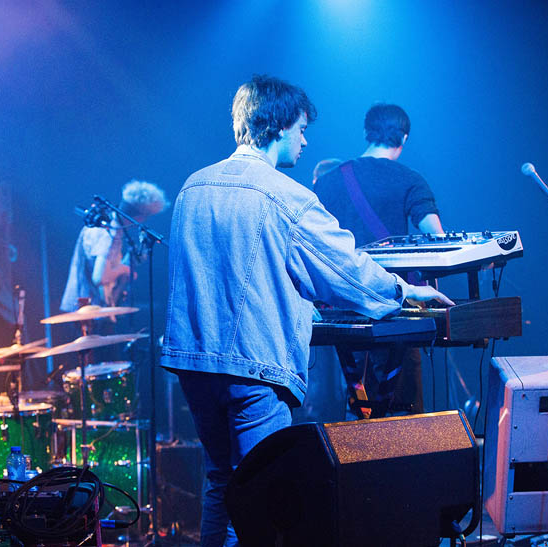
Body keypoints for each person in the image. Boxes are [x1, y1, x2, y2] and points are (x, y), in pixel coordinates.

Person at [160, 76, 453, 547]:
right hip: (255, 368)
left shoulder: (193, 187)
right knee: (262, 493)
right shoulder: (286, 196)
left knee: (221, 482)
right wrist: (405, 292)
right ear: (277, 126)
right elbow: (346, 269)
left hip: (194, 362)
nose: (306, 138)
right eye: (300, 128)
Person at [314, 103, 445, 416]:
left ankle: (356, 456)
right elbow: (438, 241)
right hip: (396, 307)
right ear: (404, 138)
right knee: (402, 408)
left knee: (357, 400)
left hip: (345, 308)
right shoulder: (410, 179)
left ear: (366, 134)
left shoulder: (329, 181)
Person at [60, 179, 168, 312]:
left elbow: (106, 269)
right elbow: (100, 278)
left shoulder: (115, 230)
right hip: (86, 310)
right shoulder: (105, 231)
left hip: (96, 308)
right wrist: (125, 269)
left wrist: (127, 263)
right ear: (141, 216)